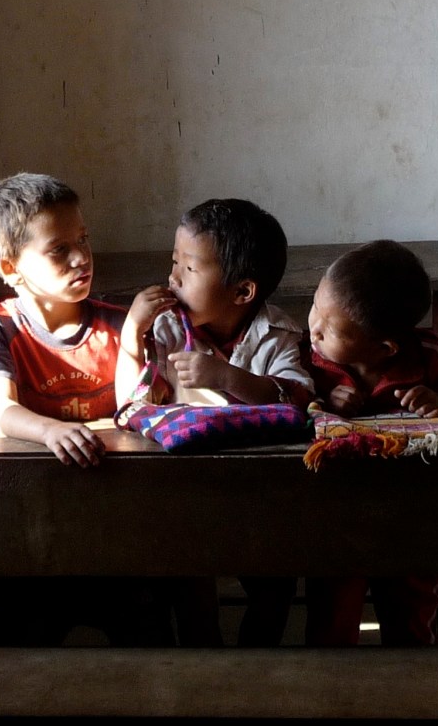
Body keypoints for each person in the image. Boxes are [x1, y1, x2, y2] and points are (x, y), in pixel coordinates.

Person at [0, 172, 172, 646]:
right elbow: (0, 408)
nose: (82, 257)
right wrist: (49, 432)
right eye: (59, 249)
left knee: (148, 646)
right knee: (27, 650)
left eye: (83, 240)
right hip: (36, 528)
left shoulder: (118, 326)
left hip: (121, 524)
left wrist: (134, 338)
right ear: (11, 267)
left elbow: (138, 409)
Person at [116, 198, 314, 647]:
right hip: (188, 491)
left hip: (263, 493)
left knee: (274, 581)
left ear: (242, 292)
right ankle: (201, 653)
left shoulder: (277, 334)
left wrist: (227, 377)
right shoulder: (166, 330)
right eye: (174, 263)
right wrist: (131, 333)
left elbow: (298, 399)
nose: (172, 279)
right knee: (190, 575)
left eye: (189, 269)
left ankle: (258, 656)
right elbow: (131, 406)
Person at [303, 239, 438, 647]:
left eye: (330, 328)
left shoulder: (429, 356)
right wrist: (322, 401)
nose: (313, 328)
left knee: (413, 615)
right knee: (332, 618)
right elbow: (292, 405)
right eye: (314, 307)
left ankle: (415, 681)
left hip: (413, 511)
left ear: (385, 348)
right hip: (337, 512)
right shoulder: (310, 359)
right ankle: (330, 683)